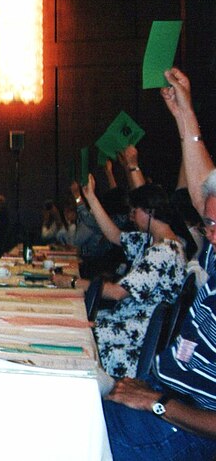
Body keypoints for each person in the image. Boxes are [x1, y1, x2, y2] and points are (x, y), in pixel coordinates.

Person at [99, 68, 216, 460]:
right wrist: (186, 115)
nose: (209, 232)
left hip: (183, 424)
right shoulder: (215, 246)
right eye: (209, 223)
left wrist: (157, 402)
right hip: (161, 387)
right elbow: (205, 194)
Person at [54, 177, 187, 377]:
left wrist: (72, 282)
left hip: (135, 334)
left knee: (73, 334)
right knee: (71, 321)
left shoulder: (164, 252)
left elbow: (117, 293)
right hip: (127, 321)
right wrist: (90, 197)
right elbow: (115, 235)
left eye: (135, 211)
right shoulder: (153, 241)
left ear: (150, 212)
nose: (131, 217)